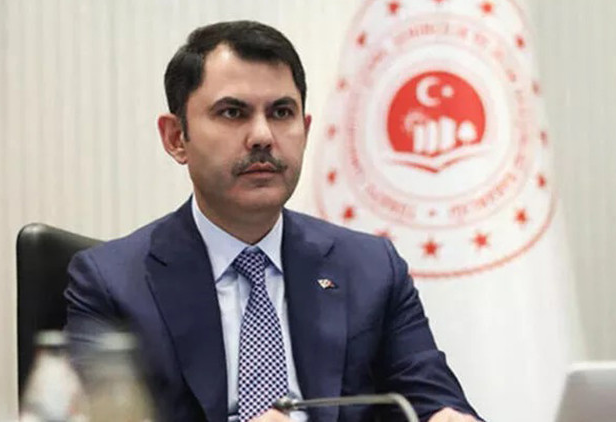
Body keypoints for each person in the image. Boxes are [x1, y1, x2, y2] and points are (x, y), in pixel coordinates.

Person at [65, 20, 481, 422]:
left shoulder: (372, 269)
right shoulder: (111, 284)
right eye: (233, 112)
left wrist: (446, 417)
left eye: (282, 112)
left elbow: (432, 401)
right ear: (176, 138)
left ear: (305, 128)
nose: (263, 136)